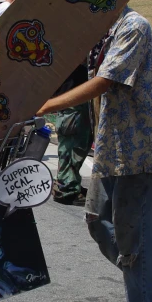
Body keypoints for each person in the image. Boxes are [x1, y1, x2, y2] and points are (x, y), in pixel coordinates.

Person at [36, 5, 152, 302]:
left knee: (134, 235)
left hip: (139, 151)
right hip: (111, 148)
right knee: (98, 221)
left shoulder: (134, 26)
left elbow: (106, 80)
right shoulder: (100, 33)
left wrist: (46, 105)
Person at [52, 64, 92, 206]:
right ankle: (67, 190)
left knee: (72, 148)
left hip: (70, 101)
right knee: (73, 148)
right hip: (74, 102)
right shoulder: (76, 51)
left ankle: (69, 185)